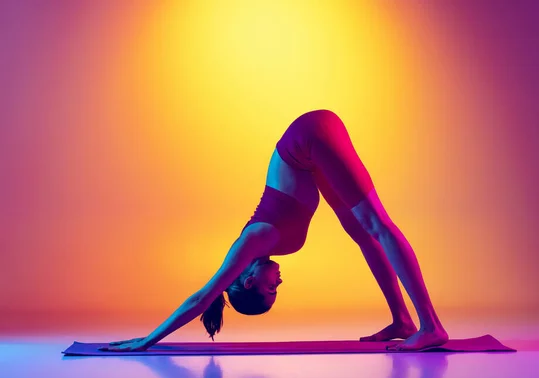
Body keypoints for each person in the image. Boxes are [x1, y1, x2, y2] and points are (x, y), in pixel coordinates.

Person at [100, 110, 448, 352]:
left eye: (270, 287)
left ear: (249, 281)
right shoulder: (269, 245)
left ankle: (430, 326)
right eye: (276, 290)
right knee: (363, 234)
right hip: (311, 161)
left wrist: (148, 339)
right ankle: (402, 321)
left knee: (377, 225)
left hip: (310, 138)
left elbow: (203, 297)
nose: (279, 283)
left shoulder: (254, 240)